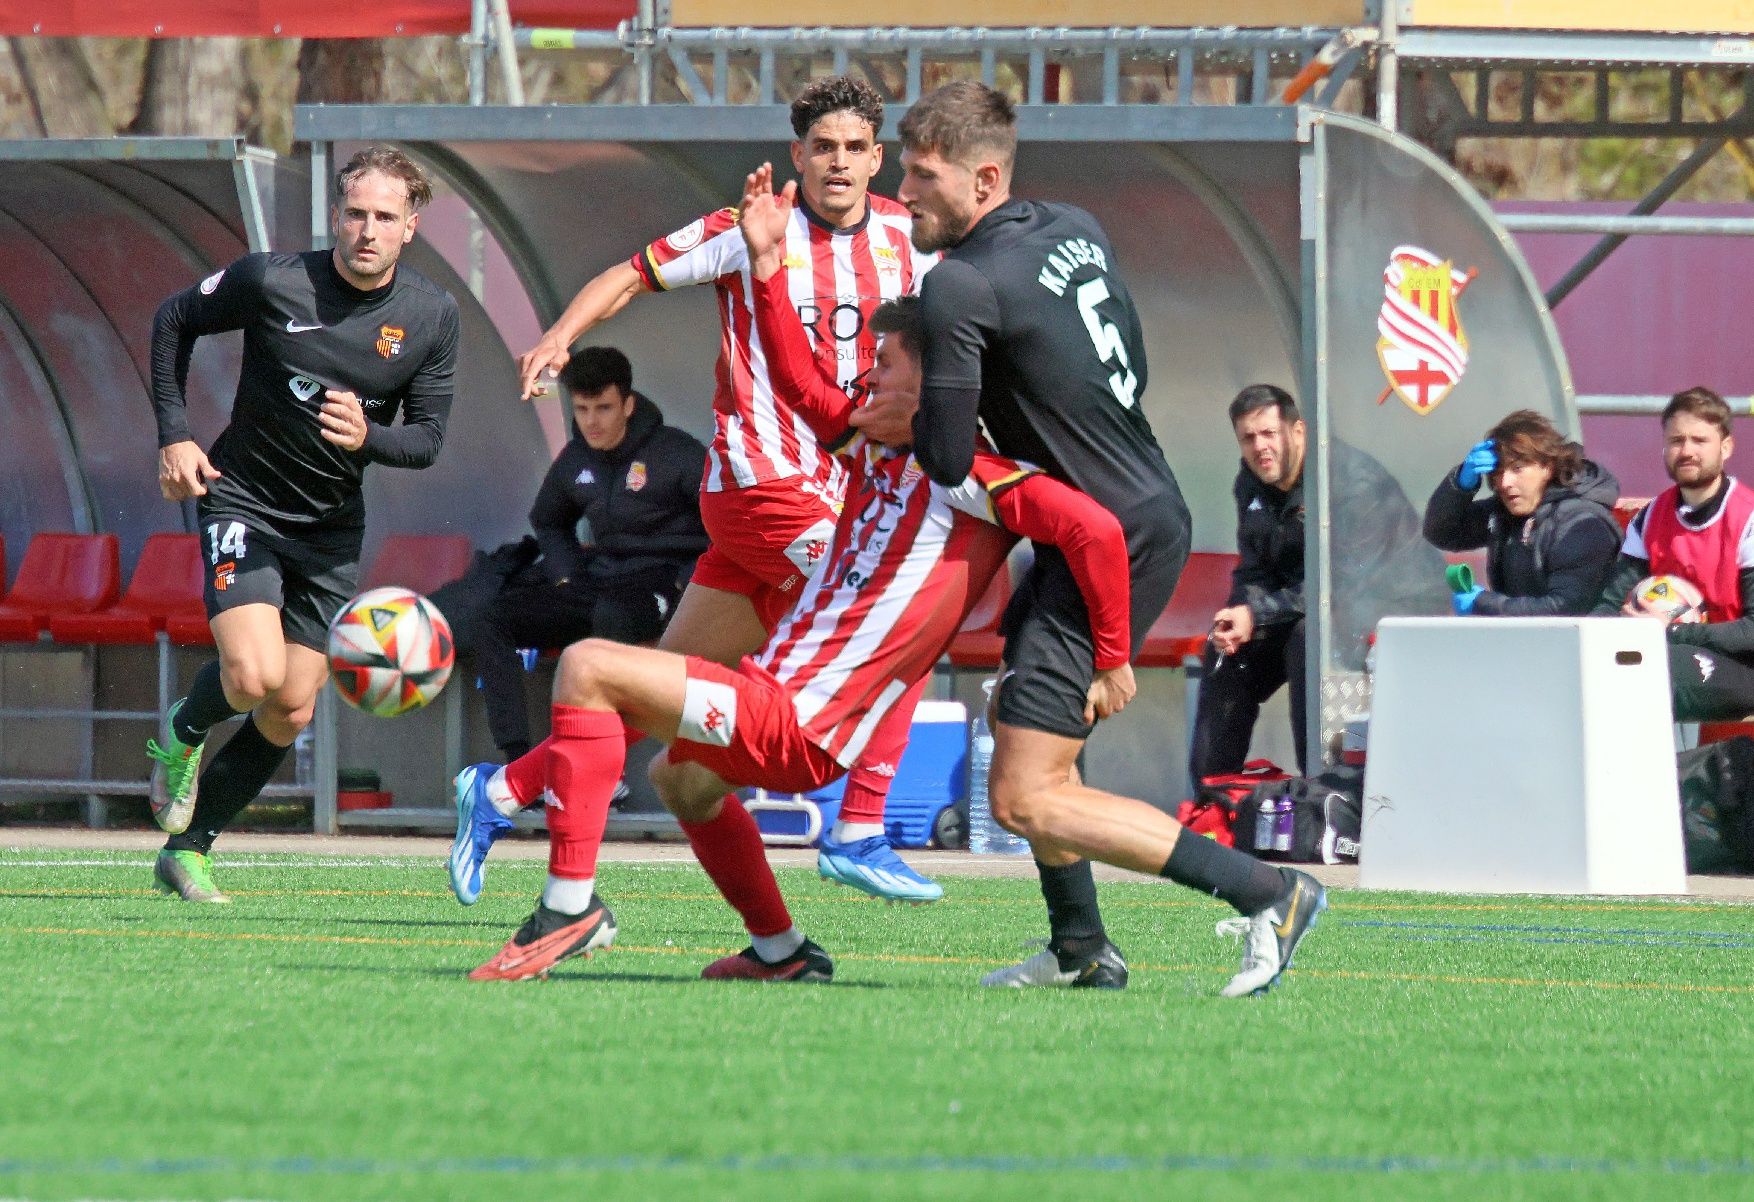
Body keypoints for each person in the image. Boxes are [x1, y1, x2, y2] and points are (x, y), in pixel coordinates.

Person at [454, 288, 1134, 982]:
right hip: (779, 697)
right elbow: (800, 385)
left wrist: (1110, 660)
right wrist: (772, 272)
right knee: (679, 779)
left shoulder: (973, 477)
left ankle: (567, 908)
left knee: (588, 666)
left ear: (937, 381)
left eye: (885, 362)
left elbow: (1097, 530)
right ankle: (782, 952)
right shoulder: (878, 448)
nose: (866, 374)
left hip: (800, 720)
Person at [899, 81, 1325, 997]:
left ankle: (1269, 890)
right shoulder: (1074, 226)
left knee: (1021, 793)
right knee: (1038, 757)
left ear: (981, 178)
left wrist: (896, 410)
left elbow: (940, 457)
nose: (903, 191)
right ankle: (1080, 947)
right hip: (1131, 512)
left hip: (1102, 539)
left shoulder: (958, 284)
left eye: (920, 174)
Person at [511, 75, 944, 903]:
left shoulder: (907, 239)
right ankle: (859, 825)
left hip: (837, 491)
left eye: (855, 149)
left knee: (659, 688)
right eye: (823, 149)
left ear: (878, 159)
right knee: (898, 604)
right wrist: (560, 337)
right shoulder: (748, 230)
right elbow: (631, 274)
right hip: (761, 480)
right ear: (797, 156)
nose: (839, 164)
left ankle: (500, 794)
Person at [145, 147, 460, 902]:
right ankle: (184, 732)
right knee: (253, 677)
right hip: (242, 501)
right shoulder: (272, 279)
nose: (367, 230)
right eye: (356, 213)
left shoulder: (430, 316)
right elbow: (174, 320)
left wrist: (369, 437)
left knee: (291, 707)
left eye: (386, 217)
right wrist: (173, 433)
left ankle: (188, 851)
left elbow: (425, 440)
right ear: (336, 215)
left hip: (329, 530)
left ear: (410, 227)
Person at [471, 347, 707, 764]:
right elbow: (548, 521)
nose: (592, 421)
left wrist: (692, 585)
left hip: (663, 584)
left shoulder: (677, 453)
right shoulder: (577, 458)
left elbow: (720, 524)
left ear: (628, 404)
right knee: (494, 618)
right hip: (599, 584)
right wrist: (566, 577)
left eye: (604, 407)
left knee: (609, 620)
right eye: (582, 408)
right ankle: (517, 760)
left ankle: (600, 767)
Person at [1594, 387, 1754, 721]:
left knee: (1652, 674)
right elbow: (1610, 603)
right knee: (1598, 668)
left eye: (1700, 440)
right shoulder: (1651, 517)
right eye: (1677, 440)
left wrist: (1671, 631)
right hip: (1670, 646)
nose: (1687, 451)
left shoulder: (1748, 518)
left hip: (1743, 663)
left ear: (1726, 448)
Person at [1190, 384, 1311, 783]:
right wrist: (1239, 616)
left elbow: (1337, 587)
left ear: (1298, 432)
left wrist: (1255, 612)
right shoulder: (1250, 482)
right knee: (1226, 651)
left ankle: (1320, 795)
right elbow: (1255, 569)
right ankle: (1210, 804)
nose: (1260, 447)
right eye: (1248, 438)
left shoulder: (1340, 480)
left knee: (1308, 638)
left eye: (1269, 434)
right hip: (1289, 607)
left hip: (1361, 610)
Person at [1424, 408, 1621, 618]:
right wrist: (1461, 484)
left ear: (1548, 466)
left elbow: (1565, 609)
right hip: (1526, 641)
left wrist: (1484, 603)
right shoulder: (1503, 513)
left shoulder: (1583, 523)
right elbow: (1441, 532)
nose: (1505, 483)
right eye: (1498, 472)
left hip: (1581, 645)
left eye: (1517, 469)